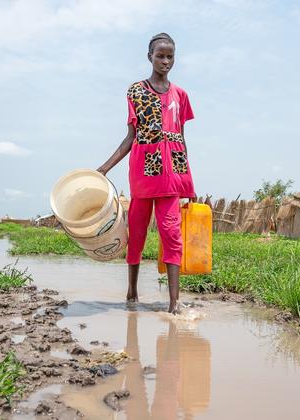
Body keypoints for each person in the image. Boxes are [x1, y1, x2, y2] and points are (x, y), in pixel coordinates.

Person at [97, 33, 196, 314]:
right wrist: (104, 168)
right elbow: (130, 137)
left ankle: (174, 303)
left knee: (171, 233)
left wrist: (188, 180)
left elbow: (181, 137)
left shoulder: (181, 96)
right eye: (160, 56)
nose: (165, 61)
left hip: (172, 175)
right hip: (143, 171)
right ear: (149, 56)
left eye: (170, 57)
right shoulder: (136, 91)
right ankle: (132, 291)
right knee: (137, 233)